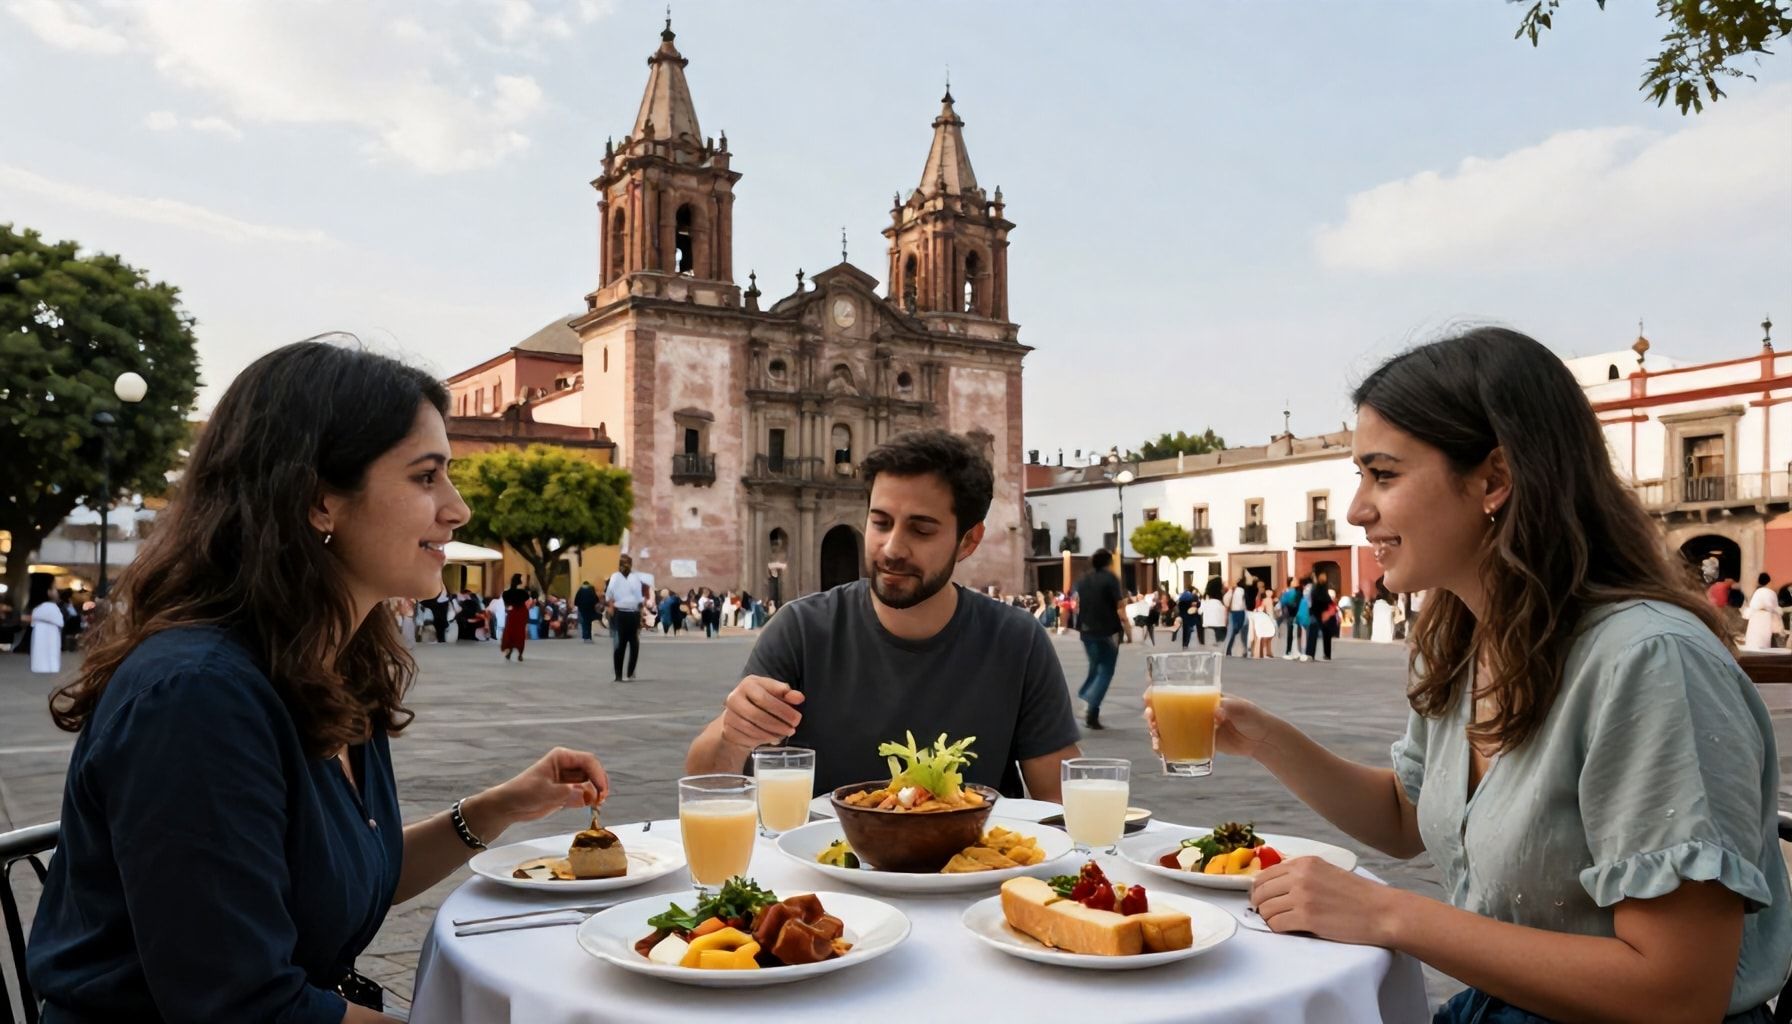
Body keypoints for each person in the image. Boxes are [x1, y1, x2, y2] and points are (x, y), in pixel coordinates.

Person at [1150, 327, 1790, 1022]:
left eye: (1383, 475)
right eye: (1358, 477)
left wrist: (1392, 915)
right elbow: (1408, 818)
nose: (1358, 509)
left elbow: (1678, 992)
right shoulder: (1462, 637)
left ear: (1494, 479)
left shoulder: (1648, 661)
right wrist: (1263, 737)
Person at [26, 339, 611, 1023]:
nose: (458, 509)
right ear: (318, 501)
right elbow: (248, 1009)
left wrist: (497, 808)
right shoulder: (195, 698)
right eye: (426, 477)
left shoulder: (334, 663)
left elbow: (350, 878)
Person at [685, 429, 1082, 797]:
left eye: (921, 530)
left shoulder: (1016, 641)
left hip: (971, 870)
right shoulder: (803, 630)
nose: (892, 547)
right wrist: (733, 735)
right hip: (822, 868)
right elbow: (706, 786)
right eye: (880, 522)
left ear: (968, 541)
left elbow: (1061, 802)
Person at [1073, 548, 1128, 731]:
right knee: (1106, 670)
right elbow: (1119, 606)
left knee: (1095, 666)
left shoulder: (1083, 580)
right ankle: (1091, 703)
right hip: (1107, 630)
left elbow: (1078, 604)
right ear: (1108, 562)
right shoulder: (1110, 578)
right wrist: (1127, 628)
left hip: (1086, 630)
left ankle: (1087, 699)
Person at [605, 554, 649, 681]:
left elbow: (609, 595)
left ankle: (622, 674)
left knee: (625, 644)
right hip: (628, 613)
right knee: (629, 644)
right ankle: (625, 673)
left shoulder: (619, 577)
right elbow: (638, 596)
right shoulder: (630, 578)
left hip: (625, 613)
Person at [29, 578, 65, 674]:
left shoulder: (37, 609)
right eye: (54, 589)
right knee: (50, 652)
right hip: (51, 632)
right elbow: (60, 621)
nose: (57, 592)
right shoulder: (51, 607)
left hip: (40, 631)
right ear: (48, 592)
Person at [1302, 569, 1336, 662]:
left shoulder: (1320, 588)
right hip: (1318, 614)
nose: (1323, 578)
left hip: (1320, 614)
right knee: (1316, 633)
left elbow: (1324, 600)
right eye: (1322, 576)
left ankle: (1322, 654)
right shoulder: (1317, 588)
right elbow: (1322, 600)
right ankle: (1313, 654)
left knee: (1323, 633)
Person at [1744, 573, 1782, 651]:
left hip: (1756, 616)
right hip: (1766, 617)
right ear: (1769, 582)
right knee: (1764, 638)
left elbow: (1752, 606)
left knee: (1754, 636)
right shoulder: (1772, 593)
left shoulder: (1757, 592)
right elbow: (1776, 609)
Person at [500, 574, 530, 662]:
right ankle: (520, 654)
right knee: (520, 633)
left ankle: (509, 651)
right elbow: (526, 598)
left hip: (512, 613)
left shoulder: (506, 593)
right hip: (521, 613)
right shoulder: (523, 592)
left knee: (510, 632)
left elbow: (507, 604)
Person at [1222, 575, 1252, 657]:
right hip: (1242, 612)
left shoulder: (1232, 590)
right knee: (1243, 632)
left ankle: (1228, 650)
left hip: (1233, 612)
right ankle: (1244, 649)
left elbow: (1225, 600)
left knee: (1231, 632)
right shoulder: (1243, 590)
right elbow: (1246, 602)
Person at [1175, 584, 1199, 648]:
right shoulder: (1191, 596)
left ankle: (1184, 644)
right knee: (1188, 629)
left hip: (1182, 613)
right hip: (1188, 614)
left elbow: (1178, 603)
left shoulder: (1183, 595)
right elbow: (1193, 607)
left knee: (1184, 629)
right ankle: (1186, 644)